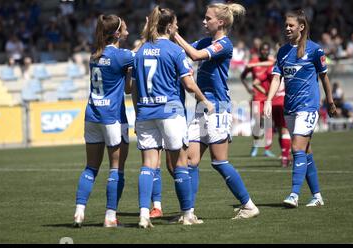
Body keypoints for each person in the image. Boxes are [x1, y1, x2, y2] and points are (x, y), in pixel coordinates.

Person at [174, 3, 260, 220]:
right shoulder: (206, 41)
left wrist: (174, 34)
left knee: (219, 161)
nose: (204, 21)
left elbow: (193, 55)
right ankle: (189, 213)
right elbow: (180, 51)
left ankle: (249, 205)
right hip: (202, 106)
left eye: (208, 18)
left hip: (218, 108)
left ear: (220, 22)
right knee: (191, 161)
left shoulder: (224, 45)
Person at [132, 6, 214, 228]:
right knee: (180, 163)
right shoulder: (175, 50)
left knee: (148, 165)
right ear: (168, 26)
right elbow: (188, 84)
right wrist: (204, 100)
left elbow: (135, 89)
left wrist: (138, 114)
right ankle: (188, 215)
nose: (178, 27)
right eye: (176, 23)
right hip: (170, 111)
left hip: (145, 112)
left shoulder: (140, 51)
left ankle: (143, 214)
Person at [263, 10, 337, 208]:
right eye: (285, 25)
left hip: (308, 106)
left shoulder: (315, 50)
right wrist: (268, 100)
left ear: (301, 27)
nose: (287, 28)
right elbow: (276, 77)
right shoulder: (282, 51)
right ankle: (317, 196)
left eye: (291, 25)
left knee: (296, 147)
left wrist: (330, 101)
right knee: (306, 150)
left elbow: (324, 77)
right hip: (290, 107)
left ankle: (294, 194)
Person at [73, 14, 133, 228]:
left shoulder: (94, 54)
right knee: (116, 168)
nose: (127, 30)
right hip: (111, 118)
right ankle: (110, 216)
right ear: (117, 33)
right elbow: (140, 58)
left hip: (92, 115)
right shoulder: (122, 56)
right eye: (124, 28)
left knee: (90, 168)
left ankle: (79, 212)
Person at [240, 42, 291, 166]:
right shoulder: (258, 62)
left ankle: (267, 149)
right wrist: (248, 89)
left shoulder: (271, 63)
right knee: (259, 122)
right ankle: (256, 144)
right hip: (259, 96)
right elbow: (244, 76)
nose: (264, 52)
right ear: (259, 51)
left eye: (267, 50)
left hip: (271, 97)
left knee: (271, 125)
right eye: (262, 50)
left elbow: (270, 63)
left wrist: (256, 64)